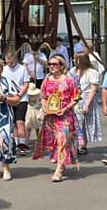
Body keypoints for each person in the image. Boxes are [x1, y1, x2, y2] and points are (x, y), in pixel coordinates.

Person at [33, 54, 80, 182]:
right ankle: (62, 163)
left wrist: (65, 109)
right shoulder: (47, 80)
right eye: (50, 64)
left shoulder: (69, 80)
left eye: (54, 64)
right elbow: (43, 96)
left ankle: (59, 169)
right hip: (50, 117)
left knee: (62, 140)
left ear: (61, 66)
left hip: (65, 116)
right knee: (55, 143)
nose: (51, 66)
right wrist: (44, 107)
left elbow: (76, 98)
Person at [70, 51, 102, 156]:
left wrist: (87, 104)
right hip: (73, 99)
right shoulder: (73, 71)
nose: (75, 61)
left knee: (82, 124)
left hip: (85, 99)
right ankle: (74, 146)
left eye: (77, 59)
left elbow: (93, 90)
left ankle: (82, 146)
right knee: (74, 123)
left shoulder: (91, 72)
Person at [2, 50, 31, 155]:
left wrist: (19, 95)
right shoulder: (4, 69)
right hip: (8, 98)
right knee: (12, 122)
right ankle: (15, 143)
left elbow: (26, 83)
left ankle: (22, 144)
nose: (9, 64)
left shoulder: (22, 69)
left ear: (15, 59)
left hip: (21, 98)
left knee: (20, 122)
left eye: (11, 62)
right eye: (7, 62)